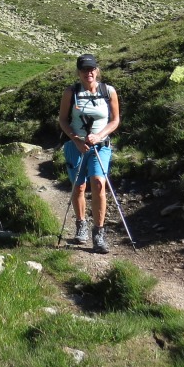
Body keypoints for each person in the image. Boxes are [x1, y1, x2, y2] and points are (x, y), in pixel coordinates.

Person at [58, 53, 120, 253]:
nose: (88, 73)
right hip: (75, 146)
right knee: (79, 186)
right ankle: (81, 224)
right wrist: (76, 140)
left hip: (100, 146)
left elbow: (115, 120)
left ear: (97, 70)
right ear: (78, 72)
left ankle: (99, 233)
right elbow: (63, 120)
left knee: (98, 183)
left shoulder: (108, 91)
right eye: (84, 70)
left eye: (91, 69)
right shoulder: (71, 93)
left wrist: (99, 136)